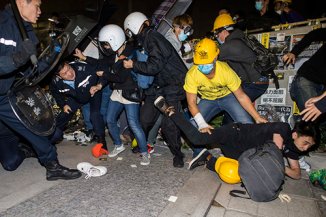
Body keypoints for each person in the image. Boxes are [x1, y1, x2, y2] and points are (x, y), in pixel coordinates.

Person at [0, 0, 81, 180]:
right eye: (36, 5)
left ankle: (51, 165)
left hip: (4, 95)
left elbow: (31, 72)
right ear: (21, 2)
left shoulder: (27, 32)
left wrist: (53, 54)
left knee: (30, 132)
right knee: (9, 163)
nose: (40, 11)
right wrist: (16, 58)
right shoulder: (2, 24)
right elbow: (14, 61)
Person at [154, 97, 318, 180]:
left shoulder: (293, 150)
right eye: (305, 143)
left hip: (239, 152)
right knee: (197, 138)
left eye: (308, 147)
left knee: (236, 173)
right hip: (233, 133)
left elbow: (296, 174)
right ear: (295, 134)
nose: (305, 148)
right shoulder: (283, 129)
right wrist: (277, 163)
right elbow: (274, 150)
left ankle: (206, 157)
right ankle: (171, 111)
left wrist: (282, 168)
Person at [123, 12, 188, 168]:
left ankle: (178, 155)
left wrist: (133, 65)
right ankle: (141, 144)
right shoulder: (147, 39)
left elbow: (154, 66)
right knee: (145, 118)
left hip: (173, 85)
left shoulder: (153, 38)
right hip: (159, 87)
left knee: (168, 125)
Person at [183, 38, 267, 158]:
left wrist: (257, 117)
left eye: (206, 63)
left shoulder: (226, 71)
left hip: (228, 97)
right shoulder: (192, 74)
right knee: (192, 126)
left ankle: (253, 155)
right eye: (199, 64)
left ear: (216, 57)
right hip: (208, 100)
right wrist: (202, 124)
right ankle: (201, 155)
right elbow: (191, 103)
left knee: (248, 124)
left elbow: (241, 96)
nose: (203, 66)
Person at [90, 24, 150, 165]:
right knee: (110, 119)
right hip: (117, 92)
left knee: (133, 124)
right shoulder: (115, 54)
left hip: (130, 93)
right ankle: (118, 145)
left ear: (114, 40)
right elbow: (102, 64)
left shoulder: (130, 54)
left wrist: (104, 74)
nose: (105, 47)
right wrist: (99, 83)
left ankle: (144, 152)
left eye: (106, 44)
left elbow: (120, 77)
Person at [213, 13, 269, 113]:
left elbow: (209, 56)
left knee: (232, 108)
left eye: (217, 34)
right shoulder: (241, 38)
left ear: (225, 31)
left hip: (254, 84)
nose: (216, 37)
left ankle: (235, 126)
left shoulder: (230, 45)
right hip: (258, 81)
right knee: (238, 107)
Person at [50, 60, 107, 152]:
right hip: (76, 97)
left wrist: (99, 85)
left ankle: (102, 143)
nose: (70, 73)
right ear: (58, 76)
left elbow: (104, 70)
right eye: (64, 73)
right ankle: (47, 141)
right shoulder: (55, 82)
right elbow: (55, 93)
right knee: (63, 115)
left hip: (93, 92)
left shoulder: (84, 68)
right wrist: (63, 104)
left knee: (95, 115)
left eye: (69, 68)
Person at [282, 28, 326, 113]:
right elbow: (313, 34)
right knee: (312, 117)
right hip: (307, 79)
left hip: (323, 86)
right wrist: (294, 52)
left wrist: (321, 99)